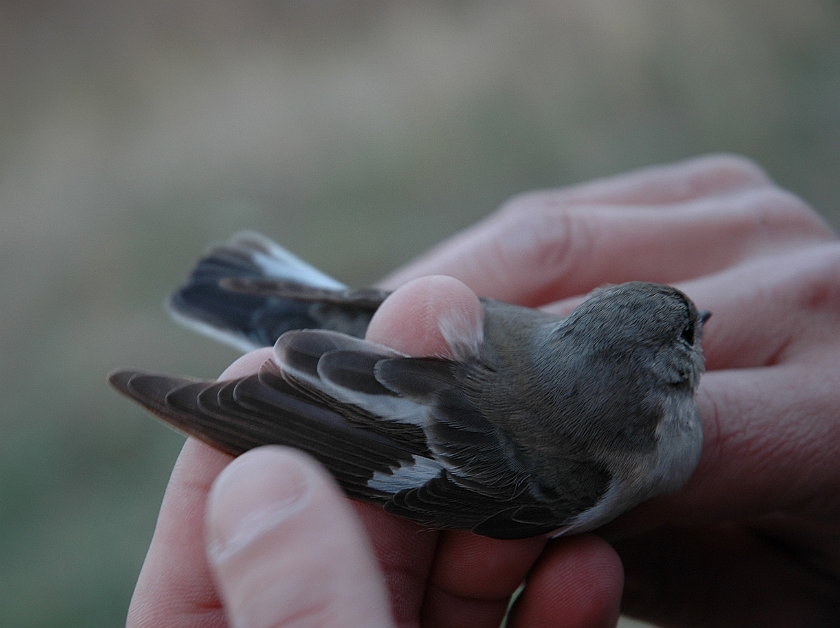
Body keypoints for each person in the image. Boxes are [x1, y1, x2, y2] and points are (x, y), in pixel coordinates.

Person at [125, 154, 840, 628]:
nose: (703, 327)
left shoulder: (570, 405)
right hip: (378, 389)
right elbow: (396, 454)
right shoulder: (580, 474)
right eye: (691, 331)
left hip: (386, 372)